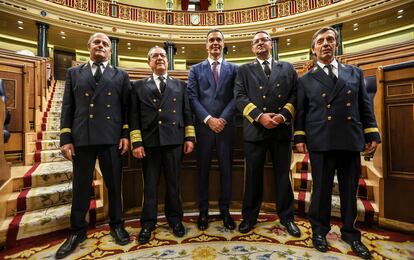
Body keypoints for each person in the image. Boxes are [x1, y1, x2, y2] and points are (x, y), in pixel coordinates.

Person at [294, 27, 380, 259]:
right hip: (320, 139)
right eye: (320, 41)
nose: (325, 44)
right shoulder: (305, 80)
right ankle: (319, 231)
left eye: (330, 40)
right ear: (313, 49)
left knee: (349, 190)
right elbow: (301, 113)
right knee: (320, 190)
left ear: (336, 44)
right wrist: (299, 136)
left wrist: (372, 132)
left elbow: (365, 106)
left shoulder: (354, 73)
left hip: (350, 138)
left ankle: (351, 233)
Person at [57, 32, 131, 259]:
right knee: (80, 187)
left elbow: (126, 108)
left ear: (110, 50)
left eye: (105, 44)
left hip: (111, 138)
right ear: (88, 46)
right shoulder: (73, 73)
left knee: (114, 185)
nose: (101, 46)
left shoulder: (120, 74)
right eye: (97, 42)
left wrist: (125, 134)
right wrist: (65, 138)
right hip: (83, 138)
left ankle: (116, 224)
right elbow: (68, 107)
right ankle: (77, 231)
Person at [234, 31, 301, 237]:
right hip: (255, 130)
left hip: (281, 130)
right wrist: (259, 116)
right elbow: (239, 97)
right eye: (256, 42)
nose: (260, 43)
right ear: (252, 47)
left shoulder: (288, 67)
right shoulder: (244, 69)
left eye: (264, 40)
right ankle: (249, 217)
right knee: (252, 177)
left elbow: (295, 94)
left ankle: (287, 218)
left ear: (271, 44)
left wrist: (281, 117)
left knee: (283, 176)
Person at [129, 46, 195, 244]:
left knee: (174, 185)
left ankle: (175, 220)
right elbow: (133, 116)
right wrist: (136, 142)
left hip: (174, 142)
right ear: (149, 62)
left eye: (163, 56)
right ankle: (148, 223)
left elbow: (187, 113)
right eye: (155, 56)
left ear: (168, 61)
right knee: (150, 186)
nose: (160, 58)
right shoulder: (138, 86)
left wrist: (189, 138)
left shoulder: (180, 85)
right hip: (149, 144)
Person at [187, 28, 237, 231]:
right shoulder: (195, 70)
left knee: (226, 170)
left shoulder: (235, 69)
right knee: (203, 171)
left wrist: (222, 119)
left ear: (223, 44)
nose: (215, 43)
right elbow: (192, 97)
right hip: (204, 128)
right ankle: (203, 211)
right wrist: (208, 119)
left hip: (226, 128)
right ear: (206, 45)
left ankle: (225, 211)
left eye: (218, 40)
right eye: (211, 40)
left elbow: (237, 96)